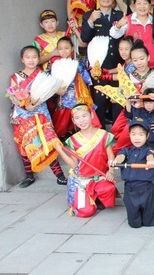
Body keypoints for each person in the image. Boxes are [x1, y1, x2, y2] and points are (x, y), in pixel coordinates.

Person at [8, 45, 67, 187]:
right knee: (25, 144)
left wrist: (63, 84)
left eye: (34, 57)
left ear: (39, 59)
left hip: (41, 114)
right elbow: (12, 96)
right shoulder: (16, 77)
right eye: (27, 57)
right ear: (22, 59)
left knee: (49, 142)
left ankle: (60, 175)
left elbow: (59, 91)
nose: (31, 60)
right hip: (23, 115)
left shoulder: (44, 75)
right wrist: (24, 105)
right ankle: (29, 175)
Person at [54, 104, 117, 217]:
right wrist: (60, 151)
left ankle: (97, 198)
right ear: (73, 121)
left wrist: (111, 171)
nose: (82, 120)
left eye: (84, 116)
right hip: (82, 180)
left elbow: (111, 157)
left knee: (109, 189)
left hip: (100, 177)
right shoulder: (73, 140)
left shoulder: (103, 135)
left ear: (92, 115)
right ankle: (87, 198)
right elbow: (74, 165)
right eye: (77, 118)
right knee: (85, 212)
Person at [81, 0, 124, 126]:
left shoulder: (119, 15)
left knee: (118, 102)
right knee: (99, 101)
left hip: (117, 65)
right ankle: (100, 135)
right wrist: (91, 21)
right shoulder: (89, 15)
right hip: (99, 67)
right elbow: (85, 38)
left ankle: (118, 135)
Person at [110, 118, 154, 228]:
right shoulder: (126, 150)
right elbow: (120, 156)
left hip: (147, 189)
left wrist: (150, 161)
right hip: (130, 190)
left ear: (147, 136)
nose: (137, 138)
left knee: (150, 223)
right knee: (134, 224)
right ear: (129, 135)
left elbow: (150, 156)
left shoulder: (149, 150)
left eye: (141, 134)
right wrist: (116, 162)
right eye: (133, 134)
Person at [51, 37, 100, 138]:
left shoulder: (78, 63)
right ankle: (64, 135)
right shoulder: (55, 65)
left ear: (72, 48)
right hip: (63, 96)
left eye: (66, 48)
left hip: (78, 95)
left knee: (81, 115)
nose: (63, 51)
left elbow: (87, 81)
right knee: (62, 119)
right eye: (60, 49)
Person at [124, 87, 154, 200]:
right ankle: (146, 183)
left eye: (151, 102)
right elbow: (129, 112)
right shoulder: (139, 111)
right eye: (146, 102)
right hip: (143, 145)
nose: (148, 105)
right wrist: (128, 99)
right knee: (143, 164)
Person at [110, 0, 154, 68]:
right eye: (139, 3)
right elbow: (113, 34)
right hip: (134, 66)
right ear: (134, 5)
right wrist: (118, 25)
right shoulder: (128, 20)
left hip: (153, 64)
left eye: (145, 3)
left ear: (150, 5)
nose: (142, 7)